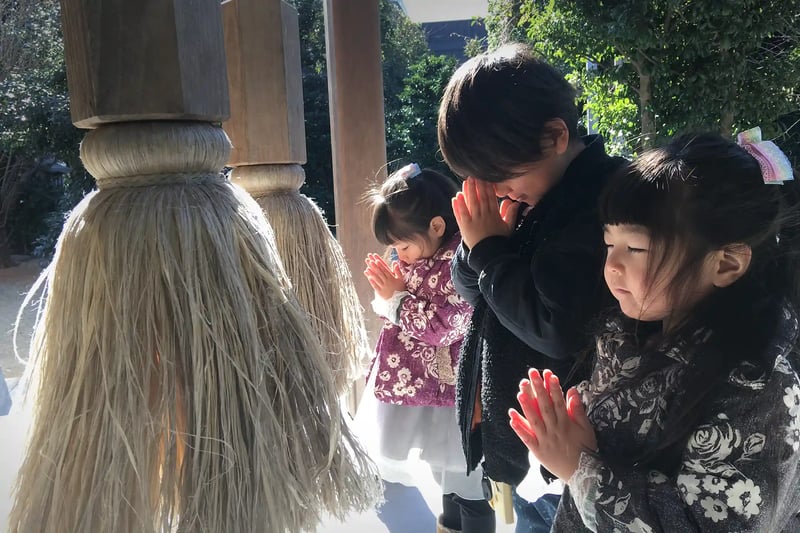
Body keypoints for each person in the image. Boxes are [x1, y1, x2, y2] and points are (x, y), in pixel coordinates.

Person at [510, 130, 800, 532]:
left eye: (637, 248)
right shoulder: (627, 335)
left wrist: (581, 468)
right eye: (609, 243)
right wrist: (569, 433)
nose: (611, 265)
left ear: (726, 264)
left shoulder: (759, 387)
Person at [437, 43, 626, 530]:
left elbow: (557, 327)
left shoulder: (600, 202)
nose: (496, 190)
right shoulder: (533, 192)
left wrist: (492, 253)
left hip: (583, 443)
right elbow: (473, 288)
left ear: (555, 136)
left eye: (501, 175)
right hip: (535, 432)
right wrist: (477, 247)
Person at [358, 163, 495, 533]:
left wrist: (395, 299)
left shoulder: (459, 260)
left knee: (466, 482)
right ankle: (449, 525)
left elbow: (446, 326)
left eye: (402, 245)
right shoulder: (417, 255)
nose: (398, 254)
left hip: (455, 391)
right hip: (427, 387)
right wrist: (392, 293)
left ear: (436, 226)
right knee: (445, 477)